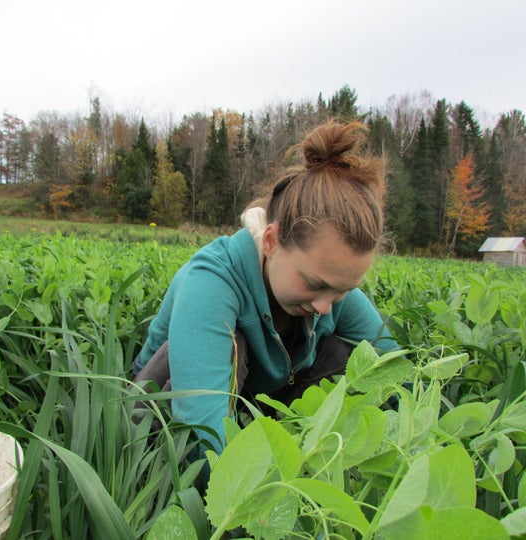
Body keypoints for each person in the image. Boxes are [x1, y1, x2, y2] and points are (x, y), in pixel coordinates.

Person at [132, 120, 397, 457]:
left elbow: (394, 366)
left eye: (344, 290)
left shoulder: (328, 286)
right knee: (233, 345)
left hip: (257, 394)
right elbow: (201, 431)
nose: (326, 306)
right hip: (168, 397)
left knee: (350, 359)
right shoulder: (213, 280)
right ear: (271, 241)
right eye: (316, 284)